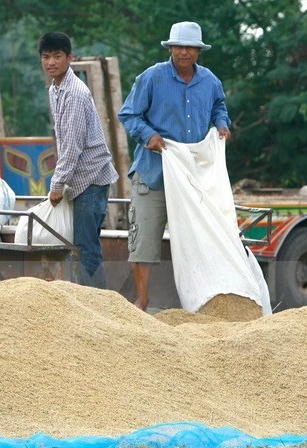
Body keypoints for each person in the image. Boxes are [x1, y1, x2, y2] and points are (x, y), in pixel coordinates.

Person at [118, 21, 232, 311]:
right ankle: (142, 300)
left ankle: (201, 303)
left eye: (190, 47)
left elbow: (219, 106)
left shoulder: (210, 81)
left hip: (193, 177)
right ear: (170, 48)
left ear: (198, 51)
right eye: (179, 47)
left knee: (200, 240)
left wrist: (221, 124)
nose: (184, 52)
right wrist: (149, 136)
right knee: (144, 241)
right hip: (153, 173)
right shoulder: (152, 78)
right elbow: (129, 115)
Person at [38, 31, 119, 289]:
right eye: (46, 57)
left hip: (91, 178)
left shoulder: (74, 92)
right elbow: (63, 141)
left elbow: (71, 147)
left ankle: (98, 305)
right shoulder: (55, 89)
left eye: (57, 56)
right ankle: (94, 301)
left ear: (70, 58)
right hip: (80, 180)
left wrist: (56, 186)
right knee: (83, 245)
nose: (51, 62)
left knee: (86, 247)